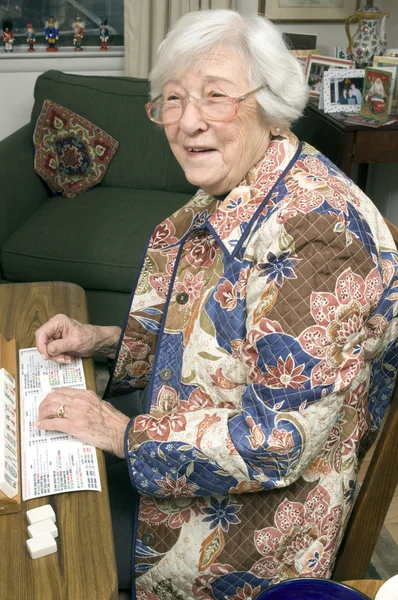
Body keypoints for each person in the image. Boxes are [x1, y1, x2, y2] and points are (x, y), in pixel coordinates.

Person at [36, 9, 398, 599]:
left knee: (46, 553)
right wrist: (100, 340)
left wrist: (123, 435)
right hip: (183, 440)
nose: (188, 121)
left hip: (243, 528)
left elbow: (275, 442)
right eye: (172, 99)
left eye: (216, 96)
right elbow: (212, 329)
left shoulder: (317, 233)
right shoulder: (240, 186)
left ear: (270, 101)